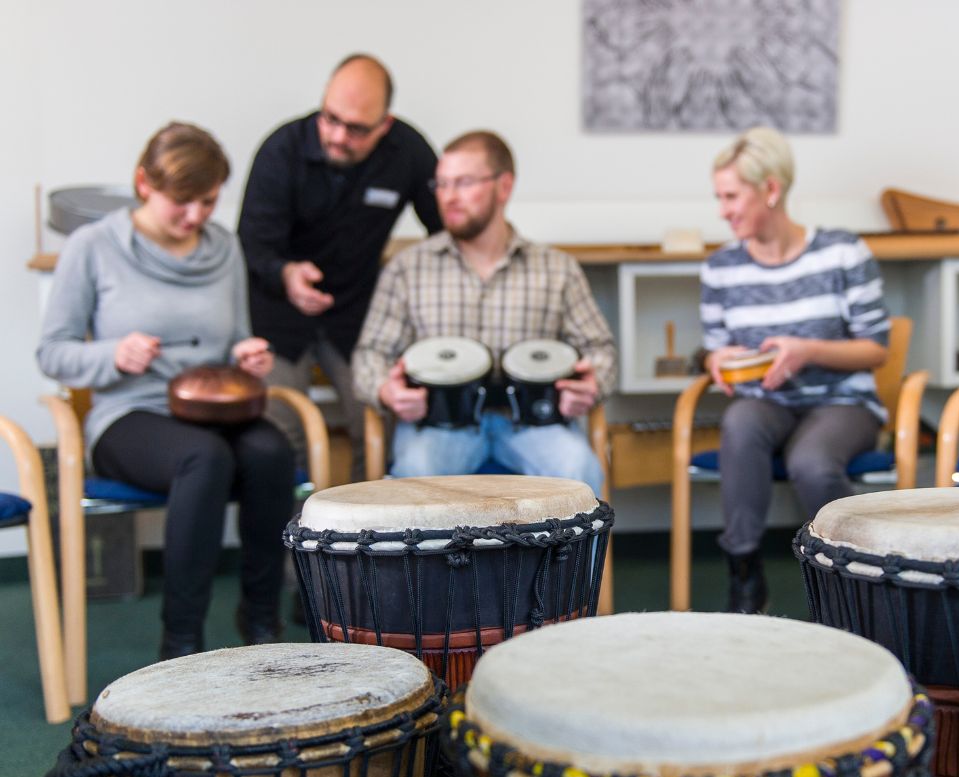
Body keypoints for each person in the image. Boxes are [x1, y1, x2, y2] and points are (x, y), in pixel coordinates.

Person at [37, 123, 295, 660]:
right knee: (204, 458)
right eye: (182, 202)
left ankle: (261, 617)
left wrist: (248, 356)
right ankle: (181, 640)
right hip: (130, 412)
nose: (195, 217)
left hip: (215, 410)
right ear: (143, 183)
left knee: (271, 451)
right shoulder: (94, 247)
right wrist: (112, 354)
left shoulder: (224, 248)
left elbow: (234, 339)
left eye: (207, 202)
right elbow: (53, 352)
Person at [351, 130, 615, 495]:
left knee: (580, 469)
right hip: (441, 427)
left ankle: (569, 557)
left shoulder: (556, 269)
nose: (448, 196)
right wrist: (387, 390)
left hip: (533, 426)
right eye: (441, 184)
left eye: (463, 182)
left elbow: (600, 348)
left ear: (503, 186)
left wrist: (592, 384)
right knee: (415, 474)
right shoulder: (408, 268)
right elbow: (370, 354)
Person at [702, 126, 890, 614]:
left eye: (731, 196)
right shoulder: (720, 268)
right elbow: (716, 348)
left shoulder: (843, 252)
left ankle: (852, 578)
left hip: (842, 402)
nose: (722, 210)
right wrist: (715, 361)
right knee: (739, 423)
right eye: (718, 197)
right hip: (767, 403)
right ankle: (744, 576)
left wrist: (806, 350)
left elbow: (876, 349)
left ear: (771, 189)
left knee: (811, 461)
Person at [238, 54, 442, 482]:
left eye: (356, 129)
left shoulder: (408, 152)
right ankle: (294, 546)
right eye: (330, 118)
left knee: (377, 423)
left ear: (384, 125)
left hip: (356, 313)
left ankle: (361, 545)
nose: (337, 135)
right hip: (278, 313)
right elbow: (253, 244)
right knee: (279, 430)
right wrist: (286, 274)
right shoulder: (281, 149)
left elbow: (446, 228)